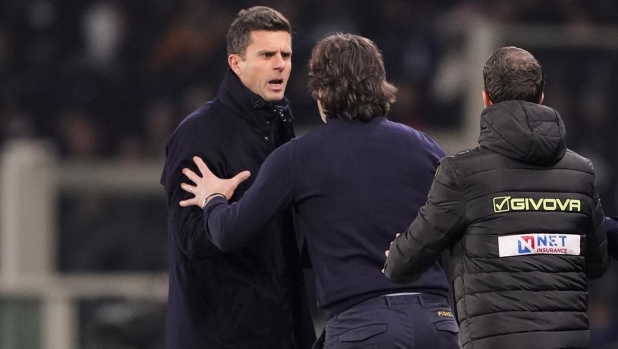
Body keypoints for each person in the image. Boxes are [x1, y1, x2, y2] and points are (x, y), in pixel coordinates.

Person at [179, 33, 461, 349]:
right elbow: (458, 235)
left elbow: (227, 233)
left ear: (321, 92)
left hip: (363, 327)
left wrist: (213, 197)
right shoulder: (426, 148)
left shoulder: (298, 157)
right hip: (438, 323)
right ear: (380, 85)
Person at [383, 46, 609, 349]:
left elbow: (402, 264)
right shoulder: (581, 172)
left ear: (486, 99)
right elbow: (596, 264)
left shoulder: (460, 174)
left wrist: (396, 252)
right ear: (541, 98)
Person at [160, 6, 314, 349]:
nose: (280, 64)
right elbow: (192, 239)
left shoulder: (280, 128)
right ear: (236, 63)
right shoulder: (198, 134)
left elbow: (284, 242)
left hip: (278, 331)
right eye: (266, 54)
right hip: (221, 337)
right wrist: (224, 207)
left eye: (285, 55)